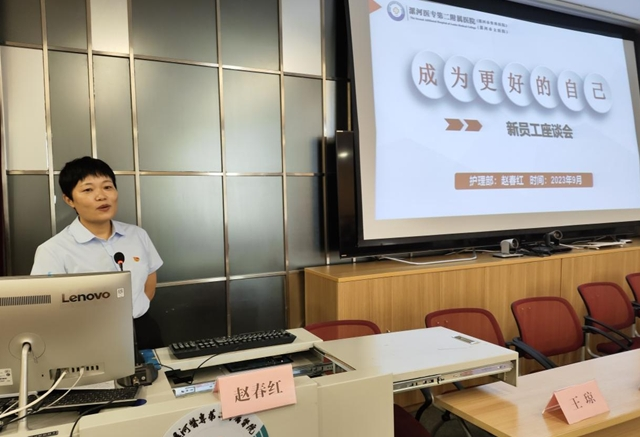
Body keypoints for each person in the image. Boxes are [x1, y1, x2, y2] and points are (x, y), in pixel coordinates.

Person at [31, 156, 163, 349]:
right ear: (69, 200)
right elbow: (46, 307)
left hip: (142, 329)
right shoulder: (53, 250)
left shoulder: (137, 235)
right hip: (88, 337)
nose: (101, 196)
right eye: (88, 190)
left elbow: (150, 281)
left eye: (107, 187)